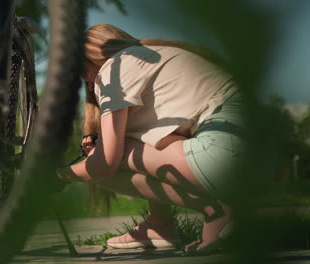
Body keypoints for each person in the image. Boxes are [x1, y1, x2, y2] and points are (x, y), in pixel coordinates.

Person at [56, 24, 245, 254]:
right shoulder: (146, 59)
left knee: (100, 168)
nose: (85, 82)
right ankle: (160, 225)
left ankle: (216, 210)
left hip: (226, 148)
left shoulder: (113, 70)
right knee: (128, 147)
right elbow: (154, 142)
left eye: (80, 71)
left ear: (91, 56)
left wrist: (60, 175)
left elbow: (106, 163)